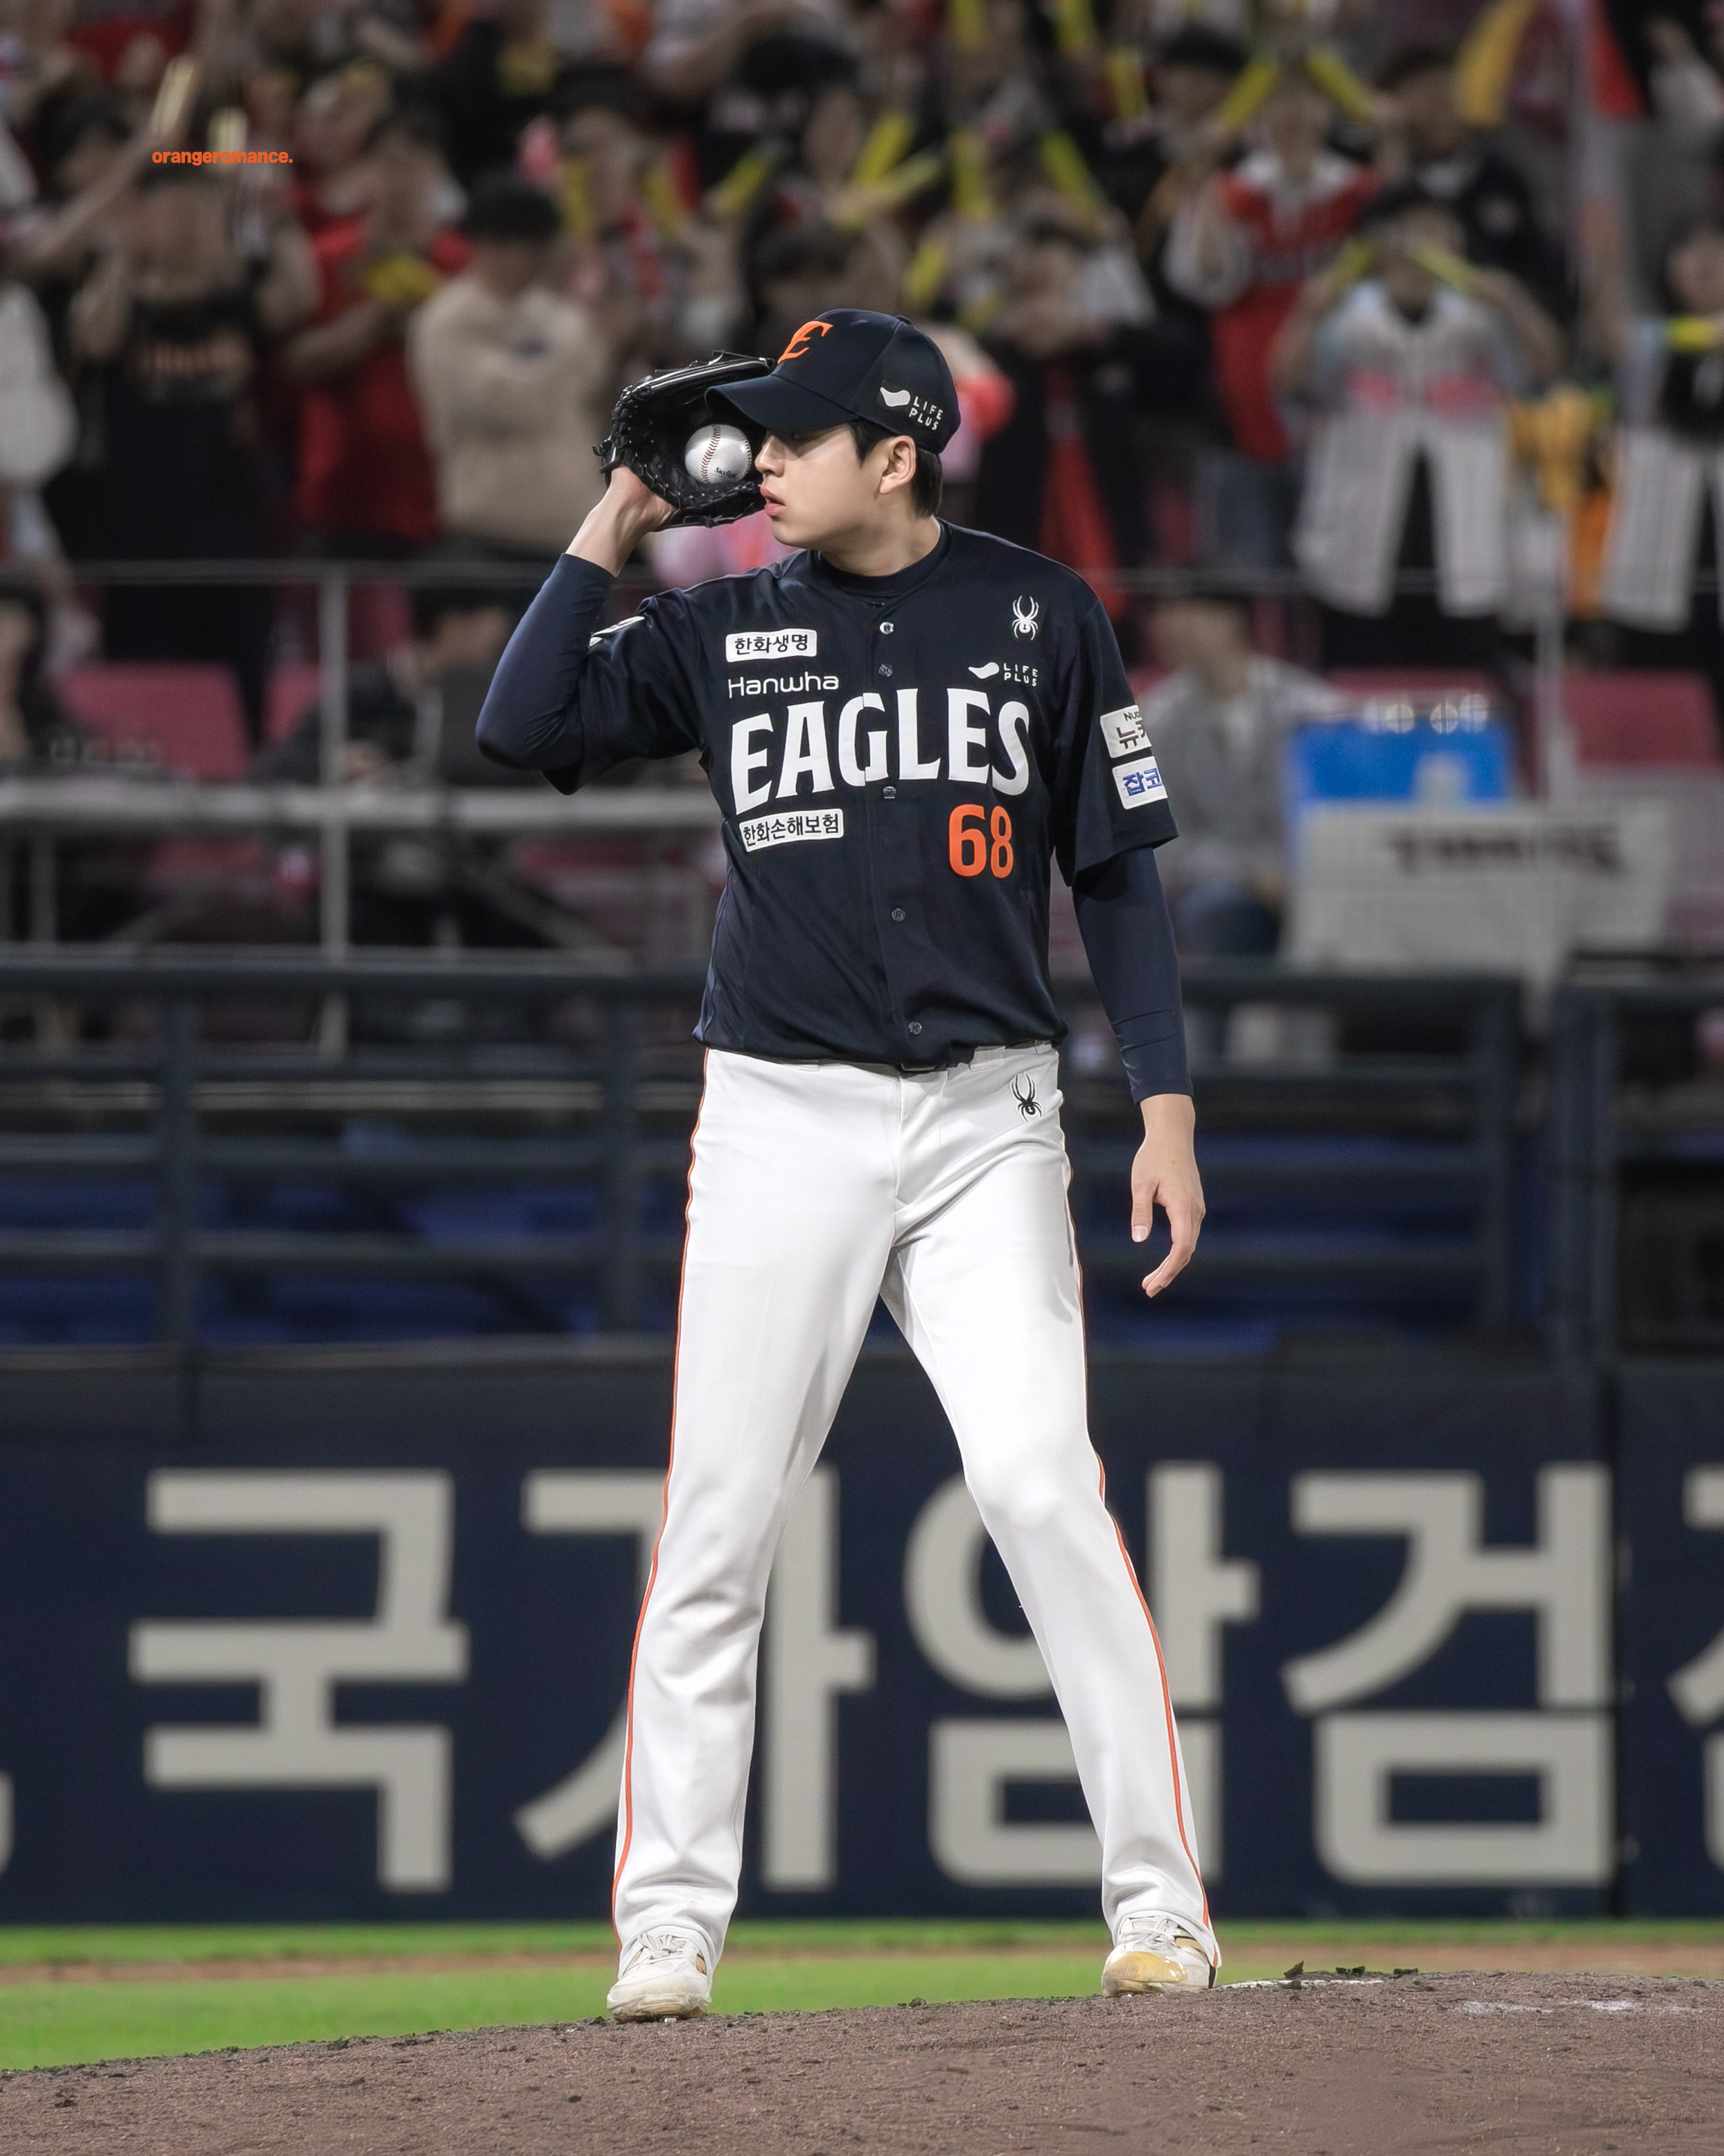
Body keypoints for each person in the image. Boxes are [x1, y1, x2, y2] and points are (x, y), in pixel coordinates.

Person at [475, 308, 1216, 2019]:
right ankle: (668, 1925)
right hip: (777, 1117)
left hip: (985, 1119)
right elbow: (520, 726)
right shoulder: (724, 625)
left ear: (895, 455)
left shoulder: (1043, 611)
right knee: (717, 1518)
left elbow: (1114, 872)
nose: (757, 462)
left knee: (1039, 1485)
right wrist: (613, 519)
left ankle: (1159, 1907)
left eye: (792, 435)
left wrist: (1166, 1103)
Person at [1164, 67, 1379, 568]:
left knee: (1341, 567)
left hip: (1345, 403)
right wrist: (1207, 176)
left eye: (1306, 101)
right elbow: (1204, 275)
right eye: (1279, 103)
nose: (1293, 116)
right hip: (1245, 396)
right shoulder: (1234, 191)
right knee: (1250, 566)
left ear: (1328, 111)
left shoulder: (1360, 192)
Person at [284, 108, 470, 557]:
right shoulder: (326, 257)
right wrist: (374, 321)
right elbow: (294, 362)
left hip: (441, 492)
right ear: (367, 171)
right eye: (389, 163)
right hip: (343, 489)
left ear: (438, 174)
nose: (402, 180)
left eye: (417, 164)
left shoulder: (463, 264)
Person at [408, 175, 614, 556]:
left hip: (573, 529)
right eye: (531, 247)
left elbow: (593, 383)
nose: (541, 261)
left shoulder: (558, 314)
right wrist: (585, 347)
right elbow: (507, 403)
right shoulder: (448, 322)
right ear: (489, 246)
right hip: (491, 532)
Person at [1141, 584, 1342, 956]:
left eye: (1186, 611)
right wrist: (1250, 873)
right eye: (1162, 614)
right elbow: (1164, 839)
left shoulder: (1313, 707)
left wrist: (1291, 875)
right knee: (1216, 909)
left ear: (1232, 619)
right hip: (1222, 884)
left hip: (1315, 875)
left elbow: (1339, 810)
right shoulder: (1157, 718)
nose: (1167, 626)